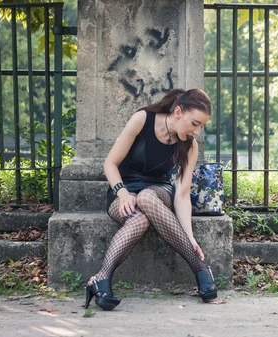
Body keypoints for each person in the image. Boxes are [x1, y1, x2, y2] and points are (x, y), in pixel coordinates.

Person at [84, 88, 217, 311]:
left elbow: (182, 194)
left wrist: (190, 236)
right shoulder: (142, 119)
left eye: (201, 126)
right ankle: (102, 278)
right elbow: (110, 164)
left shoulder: (189, 145)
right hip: (124, 189)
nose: (197, 132)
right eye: (195, 123)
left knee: (146, 197)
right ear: (177, 112)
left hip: (158, 191)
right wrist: (122, 192)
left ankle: (198, 266)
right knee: (139, 220)